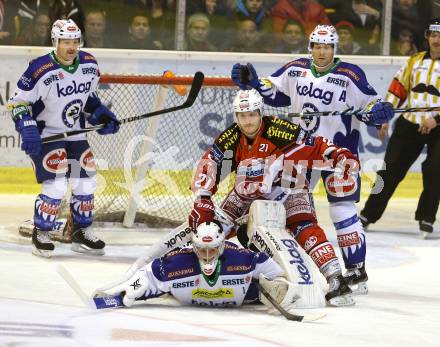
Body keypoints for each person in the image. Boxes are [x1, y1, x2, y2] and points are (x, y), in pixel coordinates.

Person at [230, 24, 394, 295]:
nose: (322, 51)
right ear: (310, 47)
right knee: (287, 207)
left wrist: (376, 113)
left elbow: (369, 105)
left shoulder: (350, 74)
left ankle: (356, 270)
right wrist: (254, 83)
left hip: (337, 154)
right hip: (301, 152)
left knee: (342, 210)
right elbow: (275, 93)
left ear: (334, 48)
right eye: (317, 46)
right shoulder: (295, 69)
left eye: (327, 46)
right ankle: (285, 263)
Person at [188, 89, 361, 306]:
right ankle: (202, 266)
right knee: (217, 224)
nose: (247, 121)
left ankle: (336, 278)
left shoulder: (281, 130)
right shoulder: (231, 136)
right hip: (249, 188)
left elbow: (315, 145)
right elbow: (209, 163)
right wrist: (202, 197)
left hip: (290, 184)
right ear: (236, 117)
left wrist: (337, 154)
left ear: (260, 113)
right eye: (242, 116)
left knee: (304, 227)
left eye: (252, 114)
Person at [7, 19, 120, 257]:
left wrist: (101, 115)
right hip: (47, 136)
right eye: (65, 42)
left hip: (75, 134)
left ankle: (80, 232)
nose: (71, 47)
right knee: (56, 185)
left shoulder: (89, 64)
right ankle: (42, 233)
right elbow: (17, 103)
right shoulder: (39, 69)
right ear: (55, 42)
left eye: (75, 41)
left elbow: (88, 98)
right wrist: (27, 127)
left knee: (86, 182)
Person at [97, 221, 294, 310]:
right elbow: (148, 276)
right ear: (193, 247)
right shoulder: (176, 262)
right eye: (201, 249)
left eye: (213, 249)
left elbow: (279, 274)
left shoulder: (244, 259)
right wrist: (130, 289)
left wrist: (276, 286)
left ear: (222, 246)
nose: (207, 256)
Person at [360, 19, 440, 238]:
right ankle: (368, 214)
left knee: (435, 171)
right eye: (433, 34)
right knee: (388, 171)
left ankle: (426, 217)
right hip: (409, 123)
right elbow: (397, 89)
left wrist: (437, 119)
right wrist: (385, 116)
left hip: (438, 127)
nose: (436, 39)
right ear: (427, 37)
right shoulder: (413, 61)